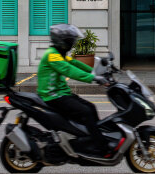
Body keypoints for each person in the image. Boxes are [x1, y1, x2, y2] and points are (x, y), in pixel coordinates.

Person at [37, 23, 108, 155]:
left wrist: (96, 72)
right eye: (71, 41)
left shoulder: (59, 53)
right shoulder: (52, 55)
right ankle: (99, 145)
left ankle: (91, 137)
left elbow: (74, 63)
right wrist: (93, 78)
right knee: (86, 111)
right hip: (53, 96)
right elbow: (68, 70)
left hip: (62, 94)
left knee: (91, 107)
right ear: (63, 42)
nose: (73, 43)